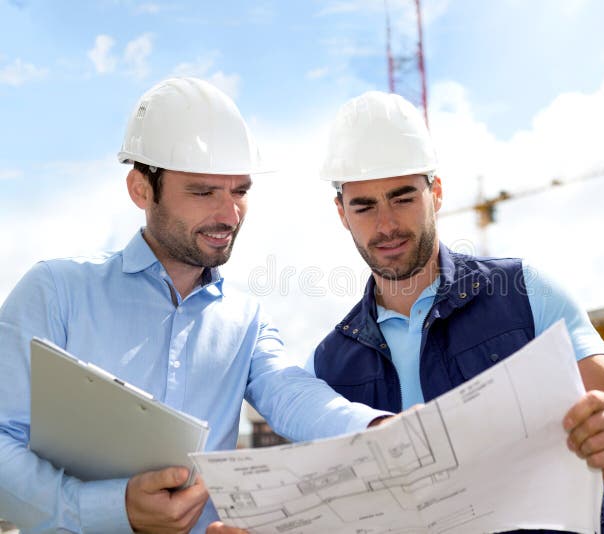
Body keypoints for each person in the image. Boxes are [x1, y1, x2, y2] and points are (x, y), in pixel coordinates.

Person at [208, 92, 604, 534]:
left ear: (436, 193)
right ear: (342, 214)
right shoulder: (327, 366)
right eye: (364, 206)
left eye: (403, 198)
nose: (385, 225)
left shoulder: (525, 293)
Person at [0, 78, 390, 533]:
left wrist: (374, 430)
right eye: (204, 192)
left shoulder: (247, 319)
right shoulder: (56, 291)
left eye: (240, 191)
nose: (229, 215)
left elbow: (291, 393)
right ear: (141, 189)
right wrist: (109, 508)